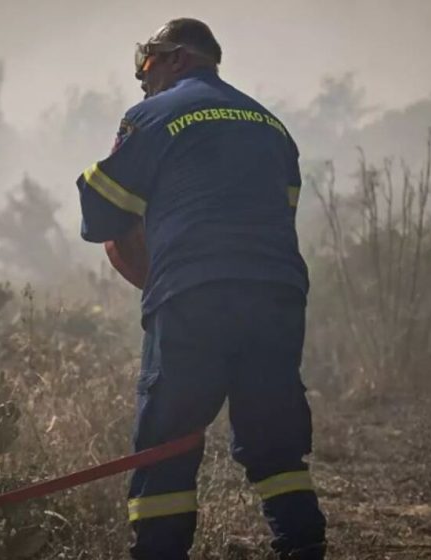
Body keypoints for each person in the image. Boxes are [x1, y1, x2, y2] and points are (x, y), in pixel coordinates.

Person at [75, 18, 327, 560]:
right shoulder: (272, 126)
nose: (142, 80)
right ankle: (303, 546)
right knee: (275, 445)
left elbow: (99, 213)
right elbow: (280, 215)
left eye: (147, 64)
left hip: (193, 298)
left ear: (178, 59)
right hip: (277, 296)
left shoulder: (152, 115)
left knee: (165, 444)